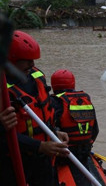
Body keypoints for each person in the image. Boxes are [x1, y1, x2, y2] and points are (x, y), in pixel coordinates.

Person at [4, 30, 69, 186]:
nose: (32, 65)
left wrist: (54, 132)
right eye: (26, 60)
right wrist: (39, 146)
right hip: (15, 163)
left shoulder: (36, 76)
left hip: (43, 162)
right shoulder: (2, 90)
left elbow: (43, 113)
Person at [50, 69, 99, 186]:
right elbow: (95, 130)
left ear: (53, 86)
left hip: (64, 155)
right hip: (84, 152)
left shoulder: (54, 101)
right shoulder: (86, 99)